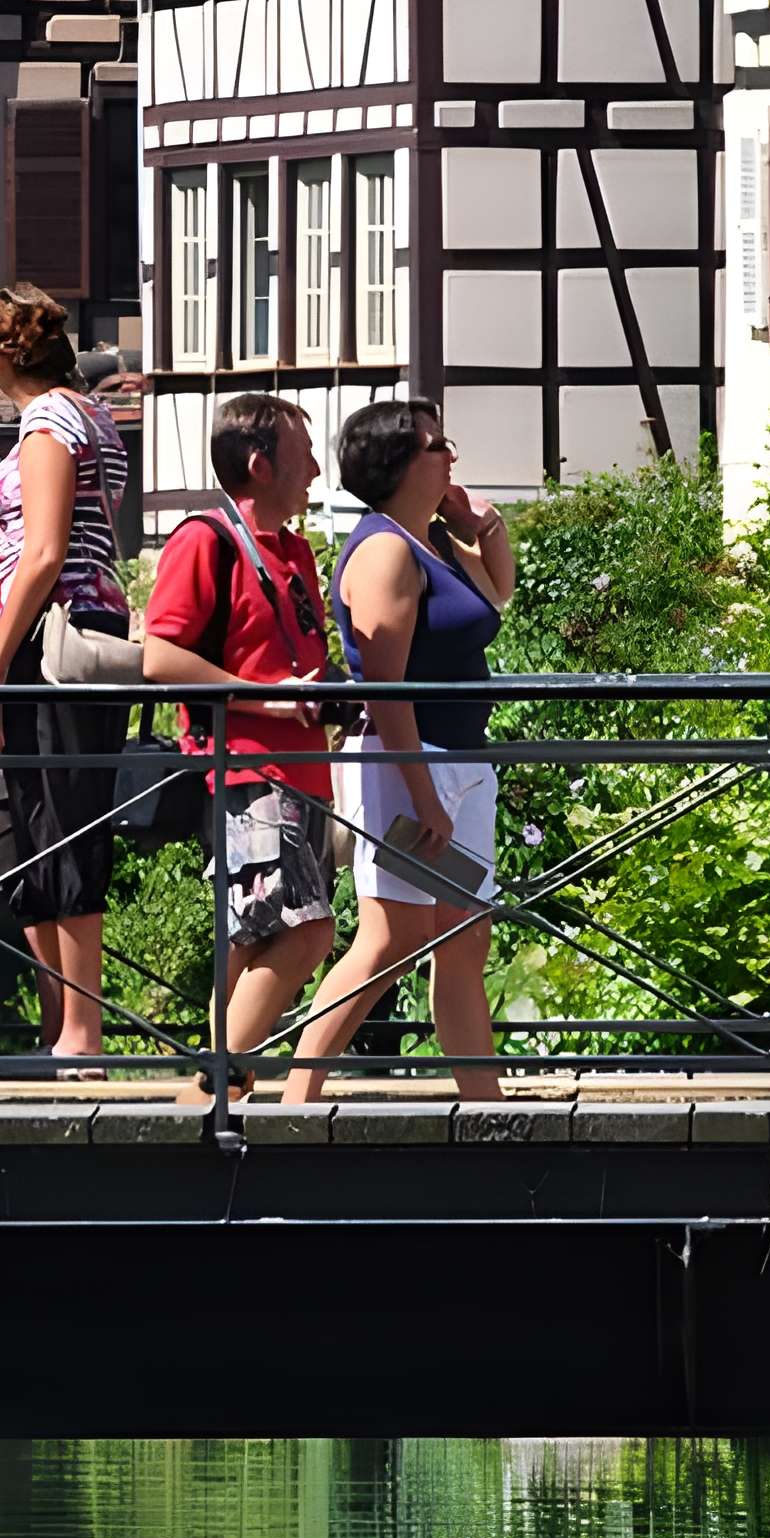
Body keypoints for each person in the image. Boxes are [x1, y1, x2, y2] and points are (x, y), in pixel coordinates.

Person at [287, 400, 516, 1103]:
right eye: (438, 446)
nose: (452, 456)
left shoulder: (433, 539)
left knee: (463, 940)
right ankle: (297, 1097)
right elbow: (385, 690)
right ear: (398, 464)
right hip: (407, 766)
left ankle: (484, 1104)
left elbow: (497, 593)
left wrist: (485, 523)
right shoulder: (385, 548)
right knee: (390, 939)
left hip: (459, 763)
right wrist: (423, 797)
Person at [141, 393, 338, 1097]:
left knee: (254, 938)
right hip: (250, 770)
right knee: (307, 931)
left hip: (303, 769)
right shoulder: (206, 538)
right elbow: (160, 657)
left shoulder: (294, 551)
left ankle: (216, 1094)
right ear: (260, 465)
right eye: (303, 455)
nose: (316, 470)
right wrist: (266, 697)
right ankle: (212, 1085)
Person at [0, 284, 133, 1072]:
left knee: (63, 823)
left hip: (52, 640)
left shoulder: (47, 422)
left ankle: (81, 1035)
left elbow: (44, 552)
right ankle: (63, 1023)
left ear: (4, 355)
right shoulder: (94, 412)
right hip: (76, 627)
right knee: (22, 826)